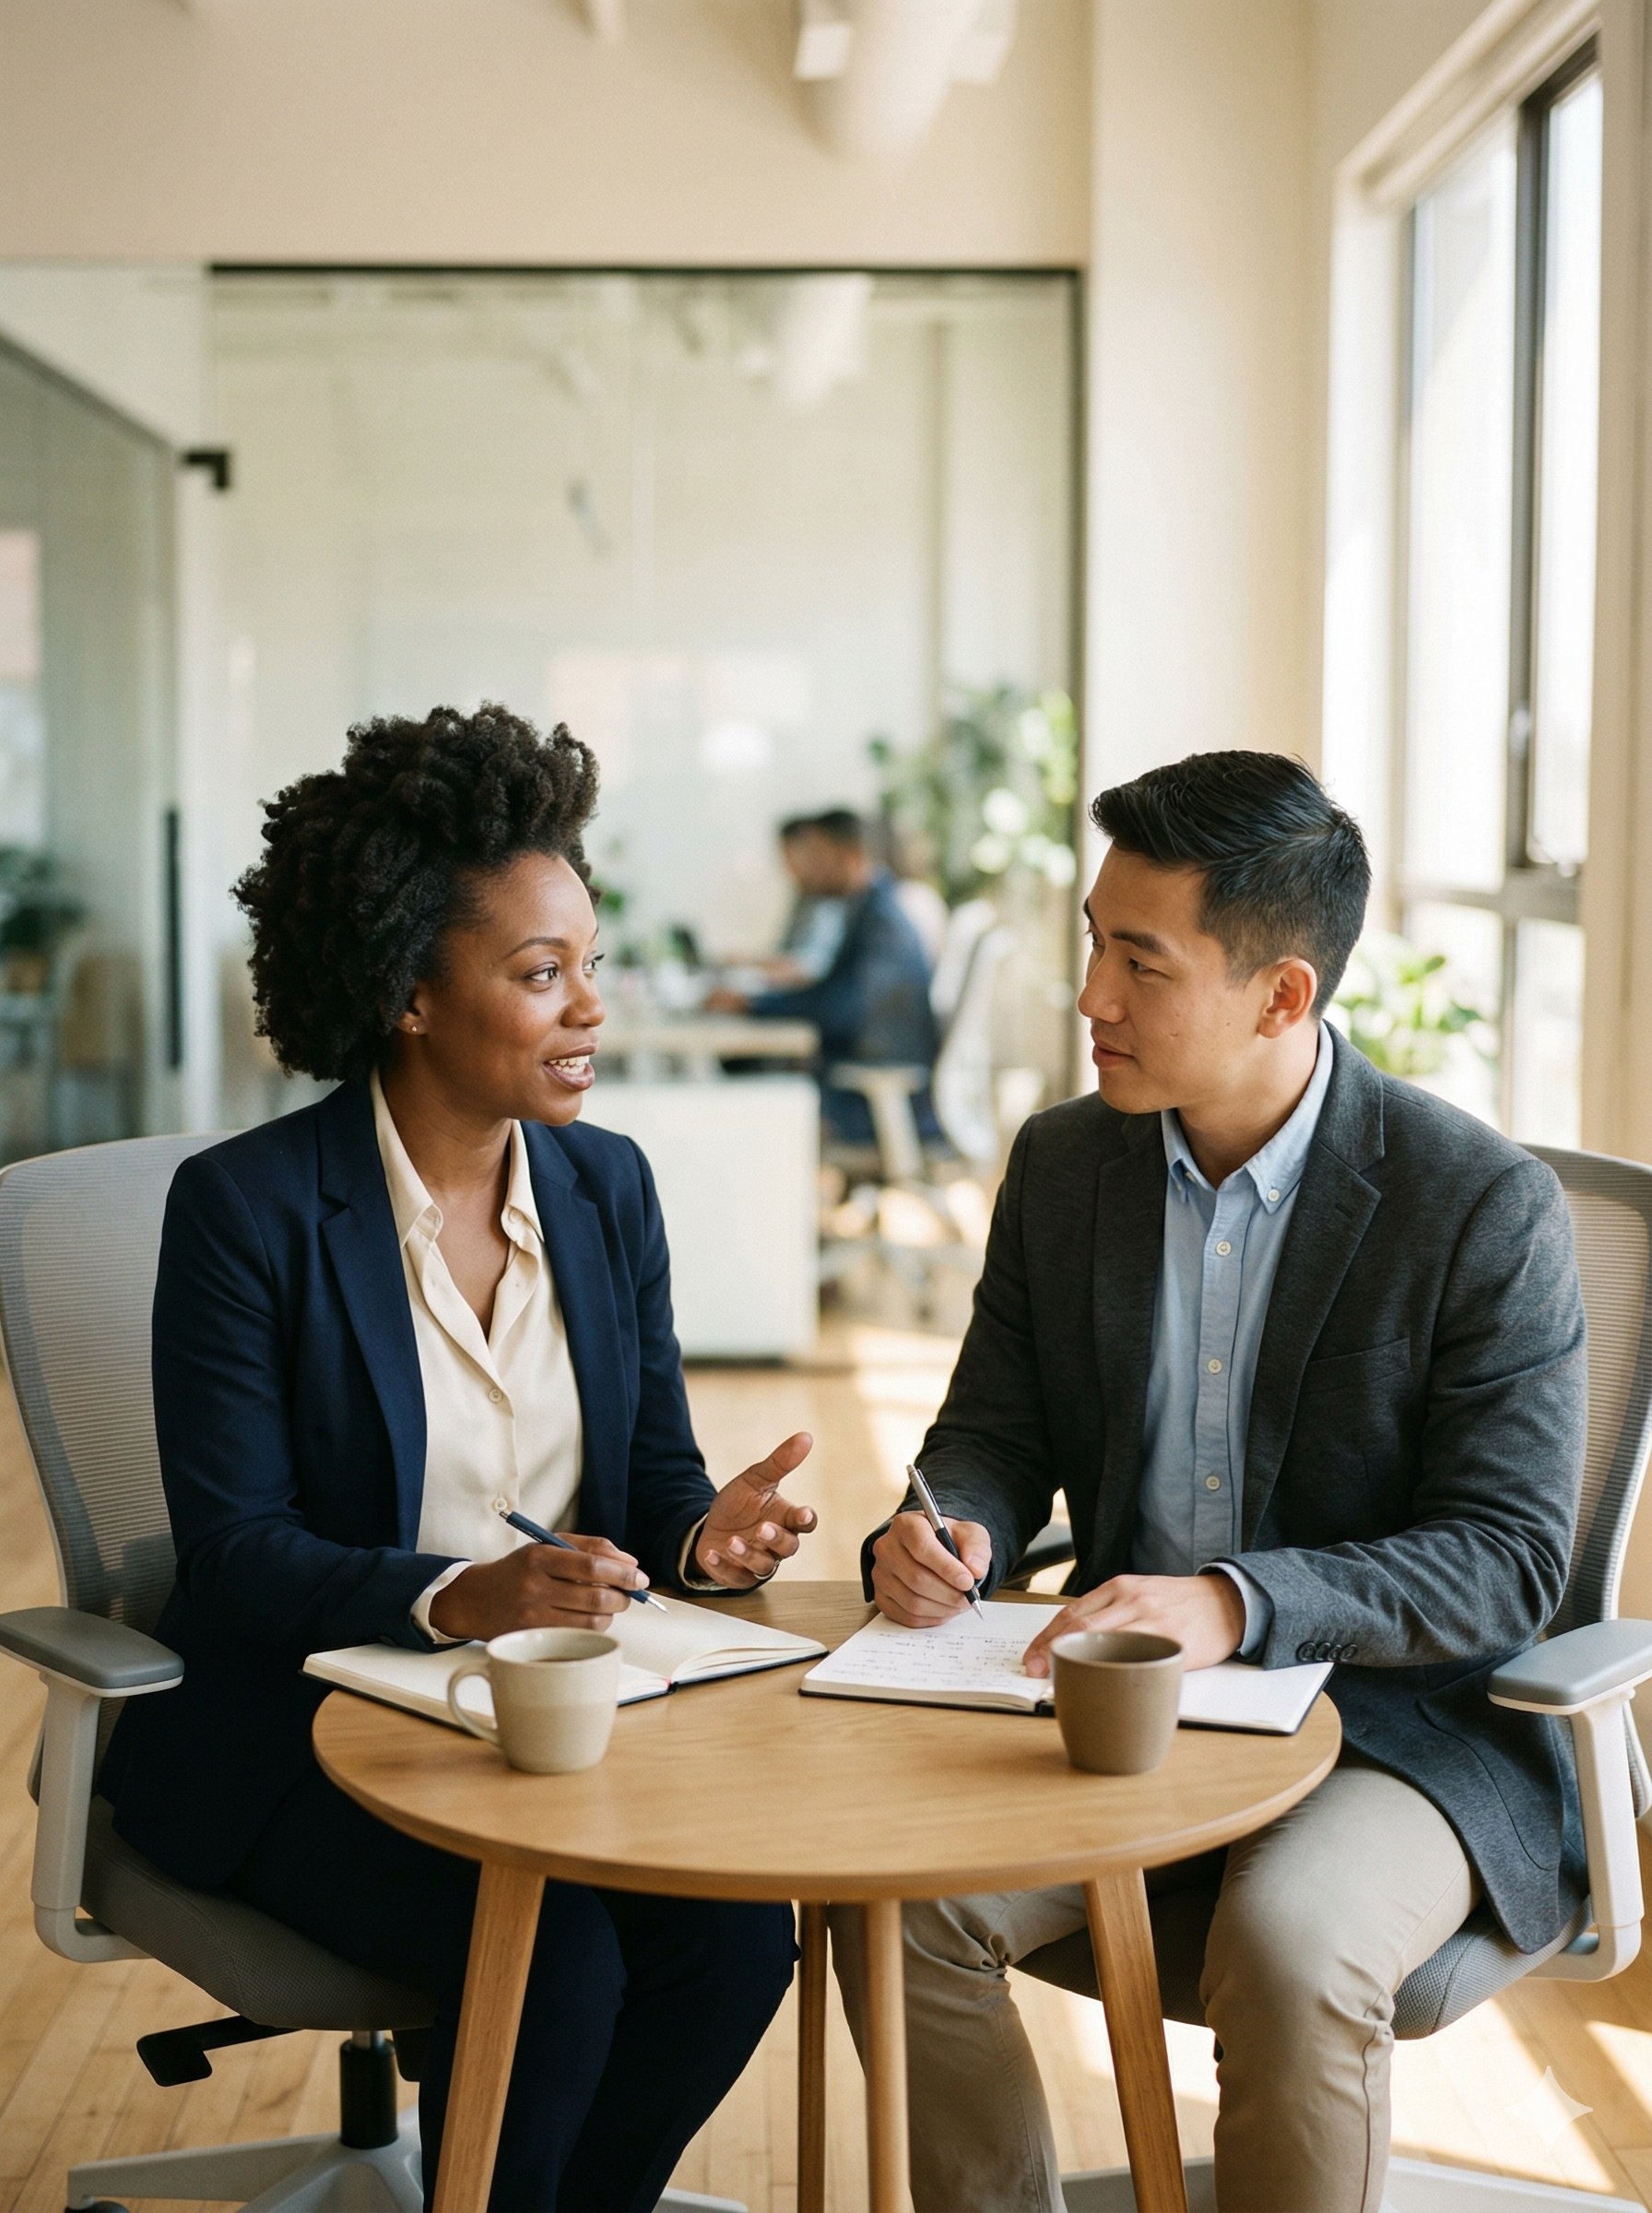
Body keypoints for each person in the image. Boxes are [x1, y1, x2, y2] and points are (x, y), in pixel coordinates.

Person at [831, 751, 1587, 2213]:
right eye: (1091, 950)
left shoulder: (1477, 1204)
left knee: (1293, 1950)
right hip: (1117, 1700)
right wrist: (951, 1522)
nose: (1091, 999)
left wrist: (1237, 1604)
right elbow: (991, 1429)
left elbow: (1503, 1561)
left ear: (1281, 995)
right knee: (895, 1906)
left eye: (1138, 962)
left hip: (1397, 1725)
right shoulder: (1066, 1167)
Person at [100, 704, 819, 2213]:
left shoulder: (607, 1188)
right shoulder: (252, 1213)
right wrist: (460, 1596)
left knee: (740, 1937)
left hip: (560, 1730)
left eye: (591, 965)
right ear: (410, 993)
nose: (589, 1013)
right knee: (551, 1957)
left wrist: (707, 1544)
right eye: (539, 975)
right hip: (302, 1736)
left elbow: (651, 1485)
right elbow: (233, 1559)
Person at [711, 808, 939, 1145]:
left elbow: (841, 1009)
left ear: (849, 855)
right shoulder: (868, 908)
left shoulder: (882, 923)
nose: (809, 868)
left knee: (745, 1088)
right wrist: (755, 1003)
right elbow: (832, 994)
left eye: (818, 855)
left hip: (865, 1089)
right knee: (739, 1066)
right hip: (856, 1069)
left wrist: (754, 1004)